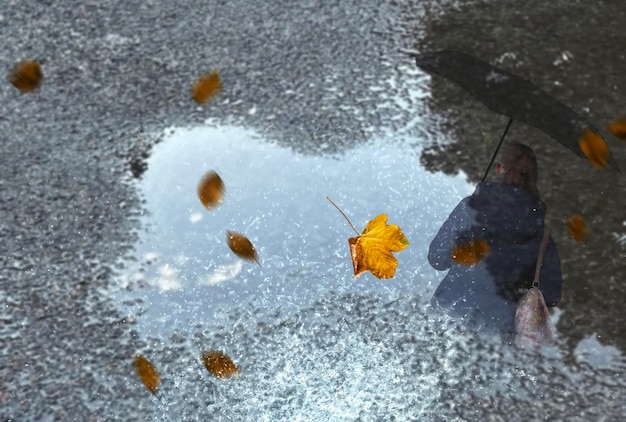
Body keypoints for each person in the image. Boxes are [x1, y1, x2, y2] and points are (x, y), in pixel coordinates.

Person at [428, 143, 563, 336]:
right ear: (532, 180)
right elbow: (551, 293)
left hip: (448, 311)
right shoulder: (540, 232)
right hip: (497, 329)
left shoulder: (469, 208)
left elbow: (437, 258)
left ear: (499, 169)